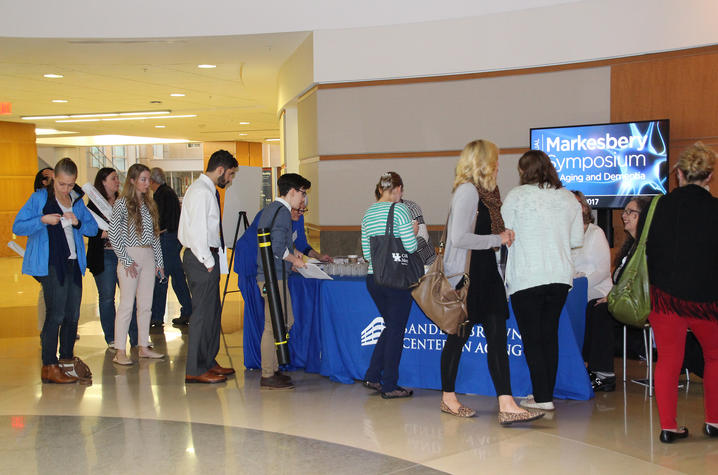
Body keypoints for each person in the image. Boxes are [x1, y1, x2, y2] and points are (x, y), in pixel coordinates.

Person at [440, 140, 544, 425]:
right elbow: (459, 237)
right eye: (495, 160)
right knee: (457, 338)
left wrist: (500, 236)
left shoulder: (489, 194)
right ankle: (448, 398)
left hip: (486, 274)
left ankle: (506, 402)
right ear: (482, 162)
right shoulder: (467, 191)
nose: (499, 165)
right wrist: (496, 239)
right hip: (470, 277)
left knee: (497, 340)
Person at [645, 142, 718, 443]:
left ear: (677, 174)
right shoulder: (715, 209)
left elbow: (651, 249)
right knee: (714, 358)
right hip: (706, 300)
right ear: (709, 177)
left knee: (669, 361)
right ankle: (714, 421)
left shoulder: (660, 204)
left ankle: (668, 427)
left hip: (666, 299)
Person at [501, 150, 584, 411]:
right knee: (549, 334)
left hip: (527, 274)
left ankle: (542, 396)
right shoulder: (568, 198)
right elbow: (575, 240)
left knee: (532, 338)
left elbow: (505, 234)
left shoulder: (517, 196)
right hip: (559, 276)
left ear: (525, 171)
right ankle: (545, 394)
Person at [13, 158, 98, 383]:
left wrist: (78, 221)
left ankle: (67, 360)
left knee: (72, 315)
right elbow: (18, 225)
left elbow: (91, 228)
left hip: (72, 262)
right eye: (61, 184)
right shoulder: (40, 198)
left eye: (70, 184)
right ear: (54, 179)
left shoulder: (77, 200)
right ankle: (49, 366)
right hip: (50, 263)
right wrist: (42, 219)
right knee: (56, 314)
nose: (66, 189)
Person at [179, 150, 238, 383]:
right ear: (221, 170)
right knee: (202, 316)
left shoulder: (205, 190)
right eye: (231, 174)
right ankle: (195, 368)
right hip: (200, 259)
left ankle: (208, 362)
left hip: (206, 258)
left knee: (212, 314)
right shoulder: (201, 192)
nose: (230, 180)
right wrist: (208, 261)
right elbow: (197, 232)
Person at [580, 196, 650, 391]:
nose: (624, 216)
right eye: (625, 212)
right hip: (625, 301)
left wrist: (611, 298)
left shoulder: (647, 248)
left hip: (640, 305)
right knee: (594, 306)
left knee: (601, 311)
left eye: (630, 212)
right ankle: (590, 367)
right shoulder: (630, 247)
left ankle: (604, 374)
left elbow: (638, 284)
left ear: (642, 217)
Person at [360, 171, 417, 399]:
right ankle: (390, 385)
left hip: (375, 280)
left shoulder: (368, 213)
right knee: (395, 330)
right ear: (397, 189)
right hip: (396, 281)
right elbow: (411, 247)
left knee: (390, 326)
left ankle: (373, 375)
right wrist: (412, 231)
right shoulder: (401, 210)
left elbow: (366, 253)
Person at [255, 173, 310, 390]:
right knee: (275, 324)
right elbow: (277, 248)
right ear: (292, 191)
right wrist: (294, 259)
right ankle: (268, 374)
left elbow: (279, 243)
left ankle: (273, 370)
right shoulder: (283, 213)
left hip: (274, 274)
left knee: (281, 321)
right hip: (272, 276)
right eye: (302, 193)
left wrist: (294, 255)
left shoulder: (272, 209)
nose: (303, 199)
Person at [109, 163, 165, 365]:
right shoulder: (122, 204)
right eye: (143, 179)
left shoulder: (150, 204)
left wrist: (159, 261)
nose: (147, 183)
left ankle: (143, 346)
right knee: (126, 305)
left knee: (145, 305)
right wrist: (125, 259)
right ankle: (120, 351)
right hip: (130, 255)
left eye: (148, 179)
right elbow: (114, 236)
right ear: (132, 181)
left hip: (148, 253)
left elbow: (155, 235)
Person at [86, 167, 139, 349]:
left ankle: (135, 337)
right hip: (104, 255)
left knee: (130, 296)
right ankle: (112, 338)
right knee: (107, 297)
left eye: (117, 178)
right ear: (103, 182)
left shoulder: (123, 202)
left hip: (123, 254)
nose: (117, 181)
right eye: (113, 178)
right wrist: (109, 232)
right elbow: (90, 231)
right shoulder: (93, 205)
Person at [570, 191, 612, 391]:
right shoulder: (564, 236)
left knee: (592, 309)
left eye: (577, 203)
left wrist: (582, 285)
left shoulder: (596, 233)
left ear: (585, 207)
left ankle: (599, 371)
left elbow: (603, 270)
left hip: (596, 290)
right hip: (573, 291)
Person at [149, 167, 193, 328]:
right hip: (174, 238)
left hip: (167, 239)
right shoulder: (170, 193)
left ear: (153, 181)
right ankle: (188, 310)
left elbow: (161, 220)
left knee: (162, 277)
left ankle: (157, 316)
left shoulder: (161, 195)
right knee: (177, 277)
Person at [401, 198, 436, 266]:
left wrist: (400, 248)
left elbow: (423, 237)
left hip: (426, 261)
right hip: (403, 264)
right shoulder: (380, 214)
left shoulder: (411, 207)